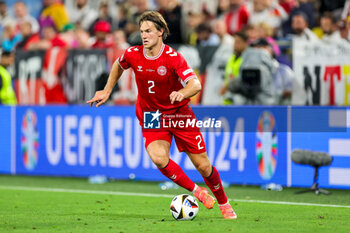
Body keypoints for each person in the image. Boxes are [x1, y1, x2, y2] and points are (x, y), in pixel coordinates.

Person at [87, 11, 237, 219]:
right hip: (152, 116)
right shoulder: (133, 53)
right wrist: (107, 89)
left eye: (148, 31)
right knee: (158, 158)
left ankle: (224, 203)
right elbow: (118, 65)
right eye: (142, 31)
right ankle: (197, 192)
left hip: (179, 114)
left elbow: (195, 84)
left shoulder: (173, 58)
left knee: (203, 165)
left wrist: (182, 92)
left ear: (161, 32)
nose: (144, 35)